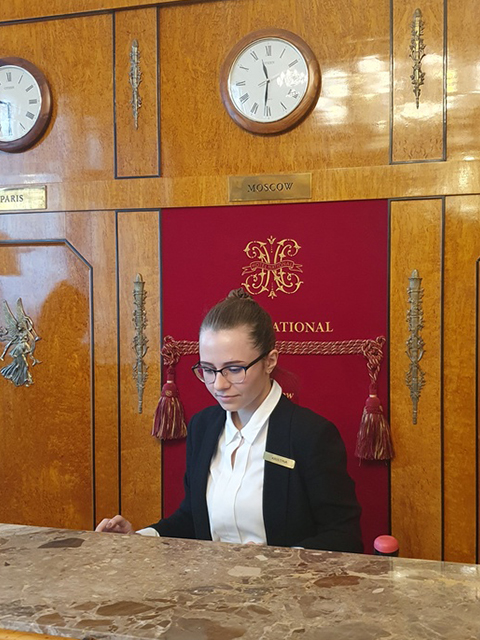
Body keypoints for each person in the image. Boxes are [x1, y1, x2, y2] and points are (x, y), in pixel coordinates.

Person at [96, 289, 363, 552]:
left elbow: (344, 537)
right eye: (208, 370)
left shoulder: (311, 435)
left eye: (234, 369)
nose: (219, 385)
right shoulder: (202, 427)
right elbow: (193, 519)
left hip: (286, 581)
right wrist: (139, 538)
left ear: (270, 361)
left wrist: (279, 560)